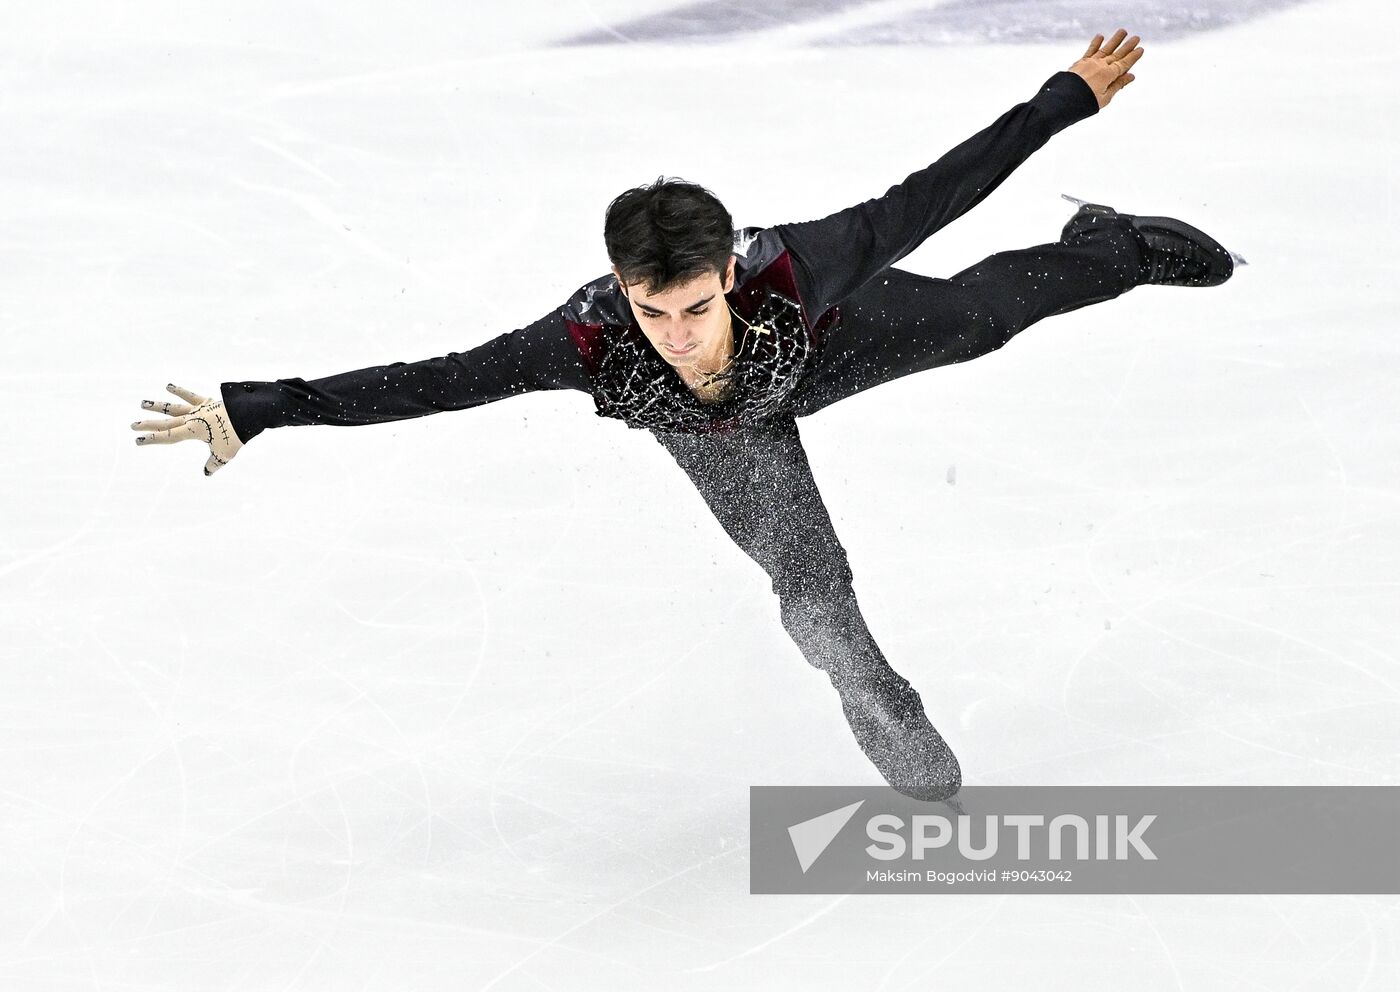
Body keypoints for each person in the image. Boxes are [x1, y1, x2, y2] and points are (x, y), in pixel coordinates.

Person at [130, 31, 1242, 801]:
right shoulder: (581, 340)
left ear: (726, 272)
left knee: (981, 319)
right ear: (622, 289)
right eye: (650, 308)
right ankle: (876, 695)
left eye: (693, 304)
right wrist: (266, 405)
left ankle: (1107, 245)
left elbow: (929, 194)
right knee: (810, 585)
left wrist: (1063, 100)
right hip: (726, 434)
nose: (674, 328)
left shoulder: (794, 269)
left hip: (822, 347)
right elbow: (440, 378)